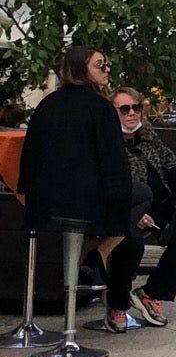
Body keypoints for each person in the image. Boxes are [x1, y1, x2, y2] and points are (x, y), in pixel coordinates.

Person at [18, 46, 132, 315]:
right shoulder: (101, 108)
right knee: (139, 201)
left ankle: (92, 257)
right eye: (100, 65)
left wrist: (27, 192)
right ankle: (99, 253)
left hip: (44, 203)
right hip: (85, 205)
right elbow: (114, 162)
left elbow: (31, 154)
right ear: (82, 70)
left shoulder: (47, 104)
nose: (107, 70)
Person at [108, 86, 176, 328]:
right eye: (125, 109)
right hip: (125, 211)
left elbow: (171, 164)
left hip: (160, 208)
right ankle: (117, 304)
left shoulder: (148, 136)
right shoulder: (107, 143)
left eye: (136, 107)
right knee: (131, 242)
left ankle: (151, 293)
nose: (132, 113)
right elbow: (108, 184)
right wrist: (135, 212)